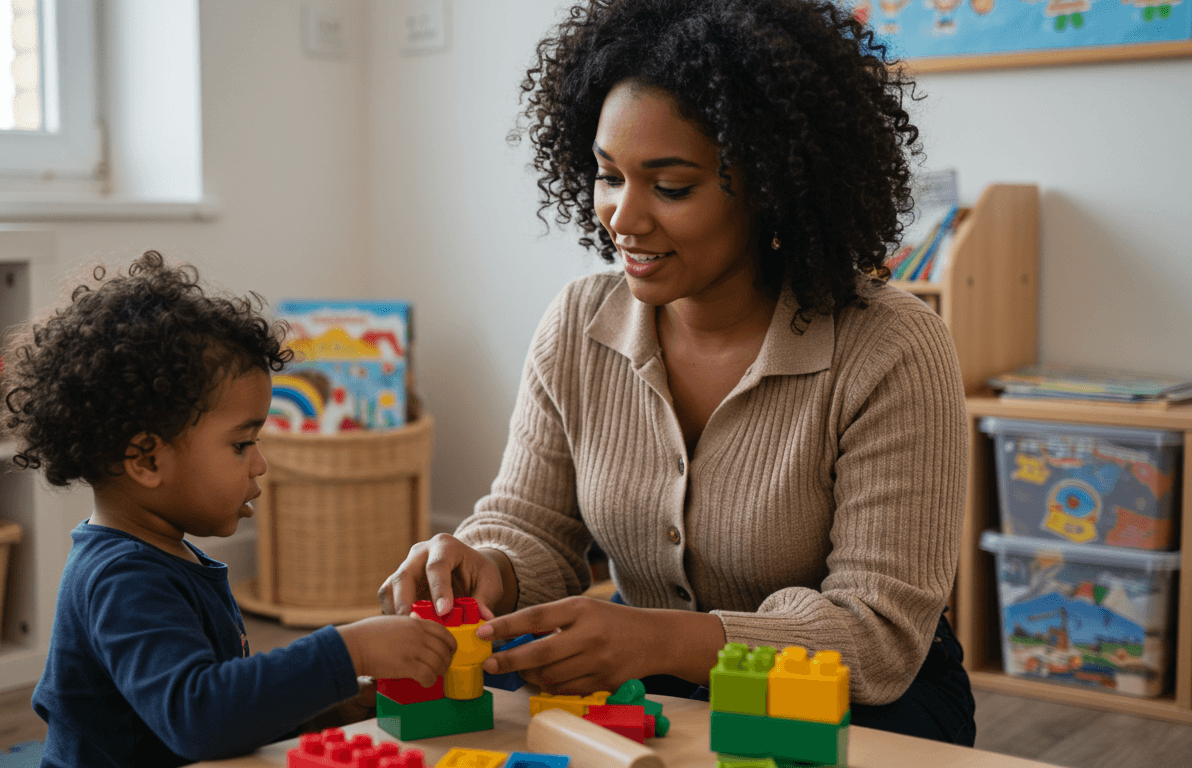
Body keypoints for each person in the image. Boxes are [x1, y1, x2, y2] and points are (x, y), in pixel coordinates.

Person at [379, 0, 975, 746]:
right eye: (607, 176)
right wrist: (485, 567)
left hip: (863, 699)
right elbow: (533, 525)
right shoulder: (577, 324)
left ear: (771, 183)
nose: (622, 217)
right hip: (648, 675)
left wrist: (659, 640)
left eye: (671, 186)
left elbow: (877, 634)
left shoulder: (888, 345)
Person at [4, 251, 456, 768]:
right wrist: (346, 650)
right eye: (242, 444)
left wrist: (322, 705)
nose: (260, 464)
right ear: (148, 459)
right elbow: (197, 717)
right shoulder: (122, 580)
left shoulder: (163, 555)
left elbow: (222, 703)